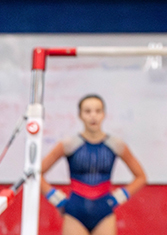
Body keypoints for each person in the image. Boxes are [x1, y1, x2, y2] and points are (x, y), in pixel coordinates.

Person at [40, 94, 147, 235]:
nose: (93, 116)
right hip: (75, 213)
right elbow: (36, 174)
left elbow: (141, 177)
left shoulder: (116, 145)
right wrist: (57, 199)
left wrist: (118, 198)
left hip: (104, 212)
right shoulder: (69, 144)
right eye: (88, 111)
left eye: (98, 111)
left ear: (104, 115)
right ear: (80, 115)